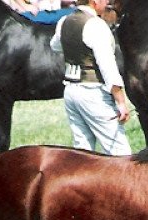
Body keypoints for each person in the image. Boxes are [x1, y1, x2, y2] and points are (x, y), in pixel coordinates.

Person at [50, 0, 131, 155]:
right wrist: (120, 101)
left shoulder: (64, 21)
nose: (107, 2)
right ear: (95, 2)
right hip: (94, 94)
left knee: (82, 154)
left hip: (71, 92)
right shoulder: (96, 25)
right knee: (120, 154)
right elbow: (108, 67)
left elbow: (55, 45)